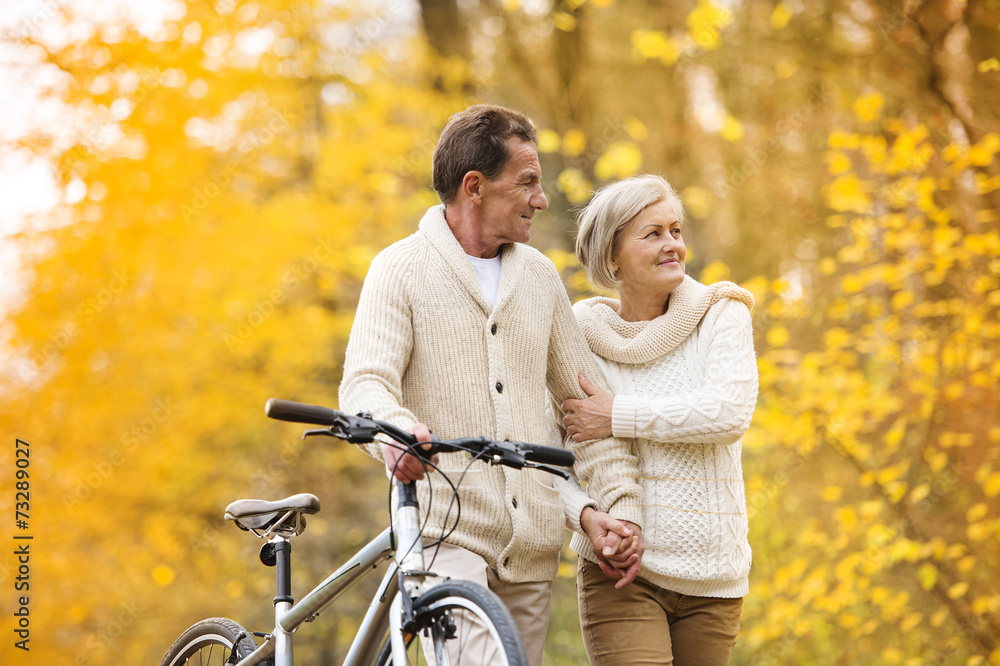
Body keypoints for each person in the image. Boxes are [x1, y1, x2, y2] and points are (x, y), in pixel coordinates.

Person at [337, 104, 644, 665]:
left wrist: (617, 507)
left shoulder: (540, 278)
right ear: (474, 186)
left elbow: (587, 407)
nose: (542, 199)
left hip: (530, 549)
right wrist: (396, 432)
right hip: (444, 533)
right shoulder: (399, 269)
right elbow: (366, 383)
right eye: (527, 182)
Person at [559, 174, 757, 665]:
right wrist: (585, 517)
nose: (673, 245)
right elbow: (546, 455)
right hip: (622, 577)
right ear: (612, 258)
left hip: (714, 580)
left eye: (676, 231)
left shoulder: (721, 312)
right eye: (653, 234)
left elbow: (727, 413)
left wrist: (618, 415)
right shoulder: (577, 336)